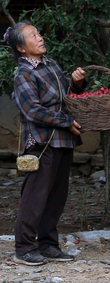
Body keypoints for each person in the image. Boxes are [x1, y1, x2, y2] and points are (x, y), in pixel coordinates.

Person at [8, 22, 86, 266]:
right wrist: (65, 121)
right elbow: (33, 111)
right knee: (36, 196)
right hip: (42, 142)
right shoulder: (24, 74)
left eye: (39, 33)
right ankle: (24, 247)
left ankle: (48, 244)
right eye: (33, 36)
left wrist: (76, 82)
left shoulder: (50, 65)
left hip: (63, 139)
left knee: (56, 196)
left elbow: (66, 94)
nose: (40, 38)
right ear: (21, 48)